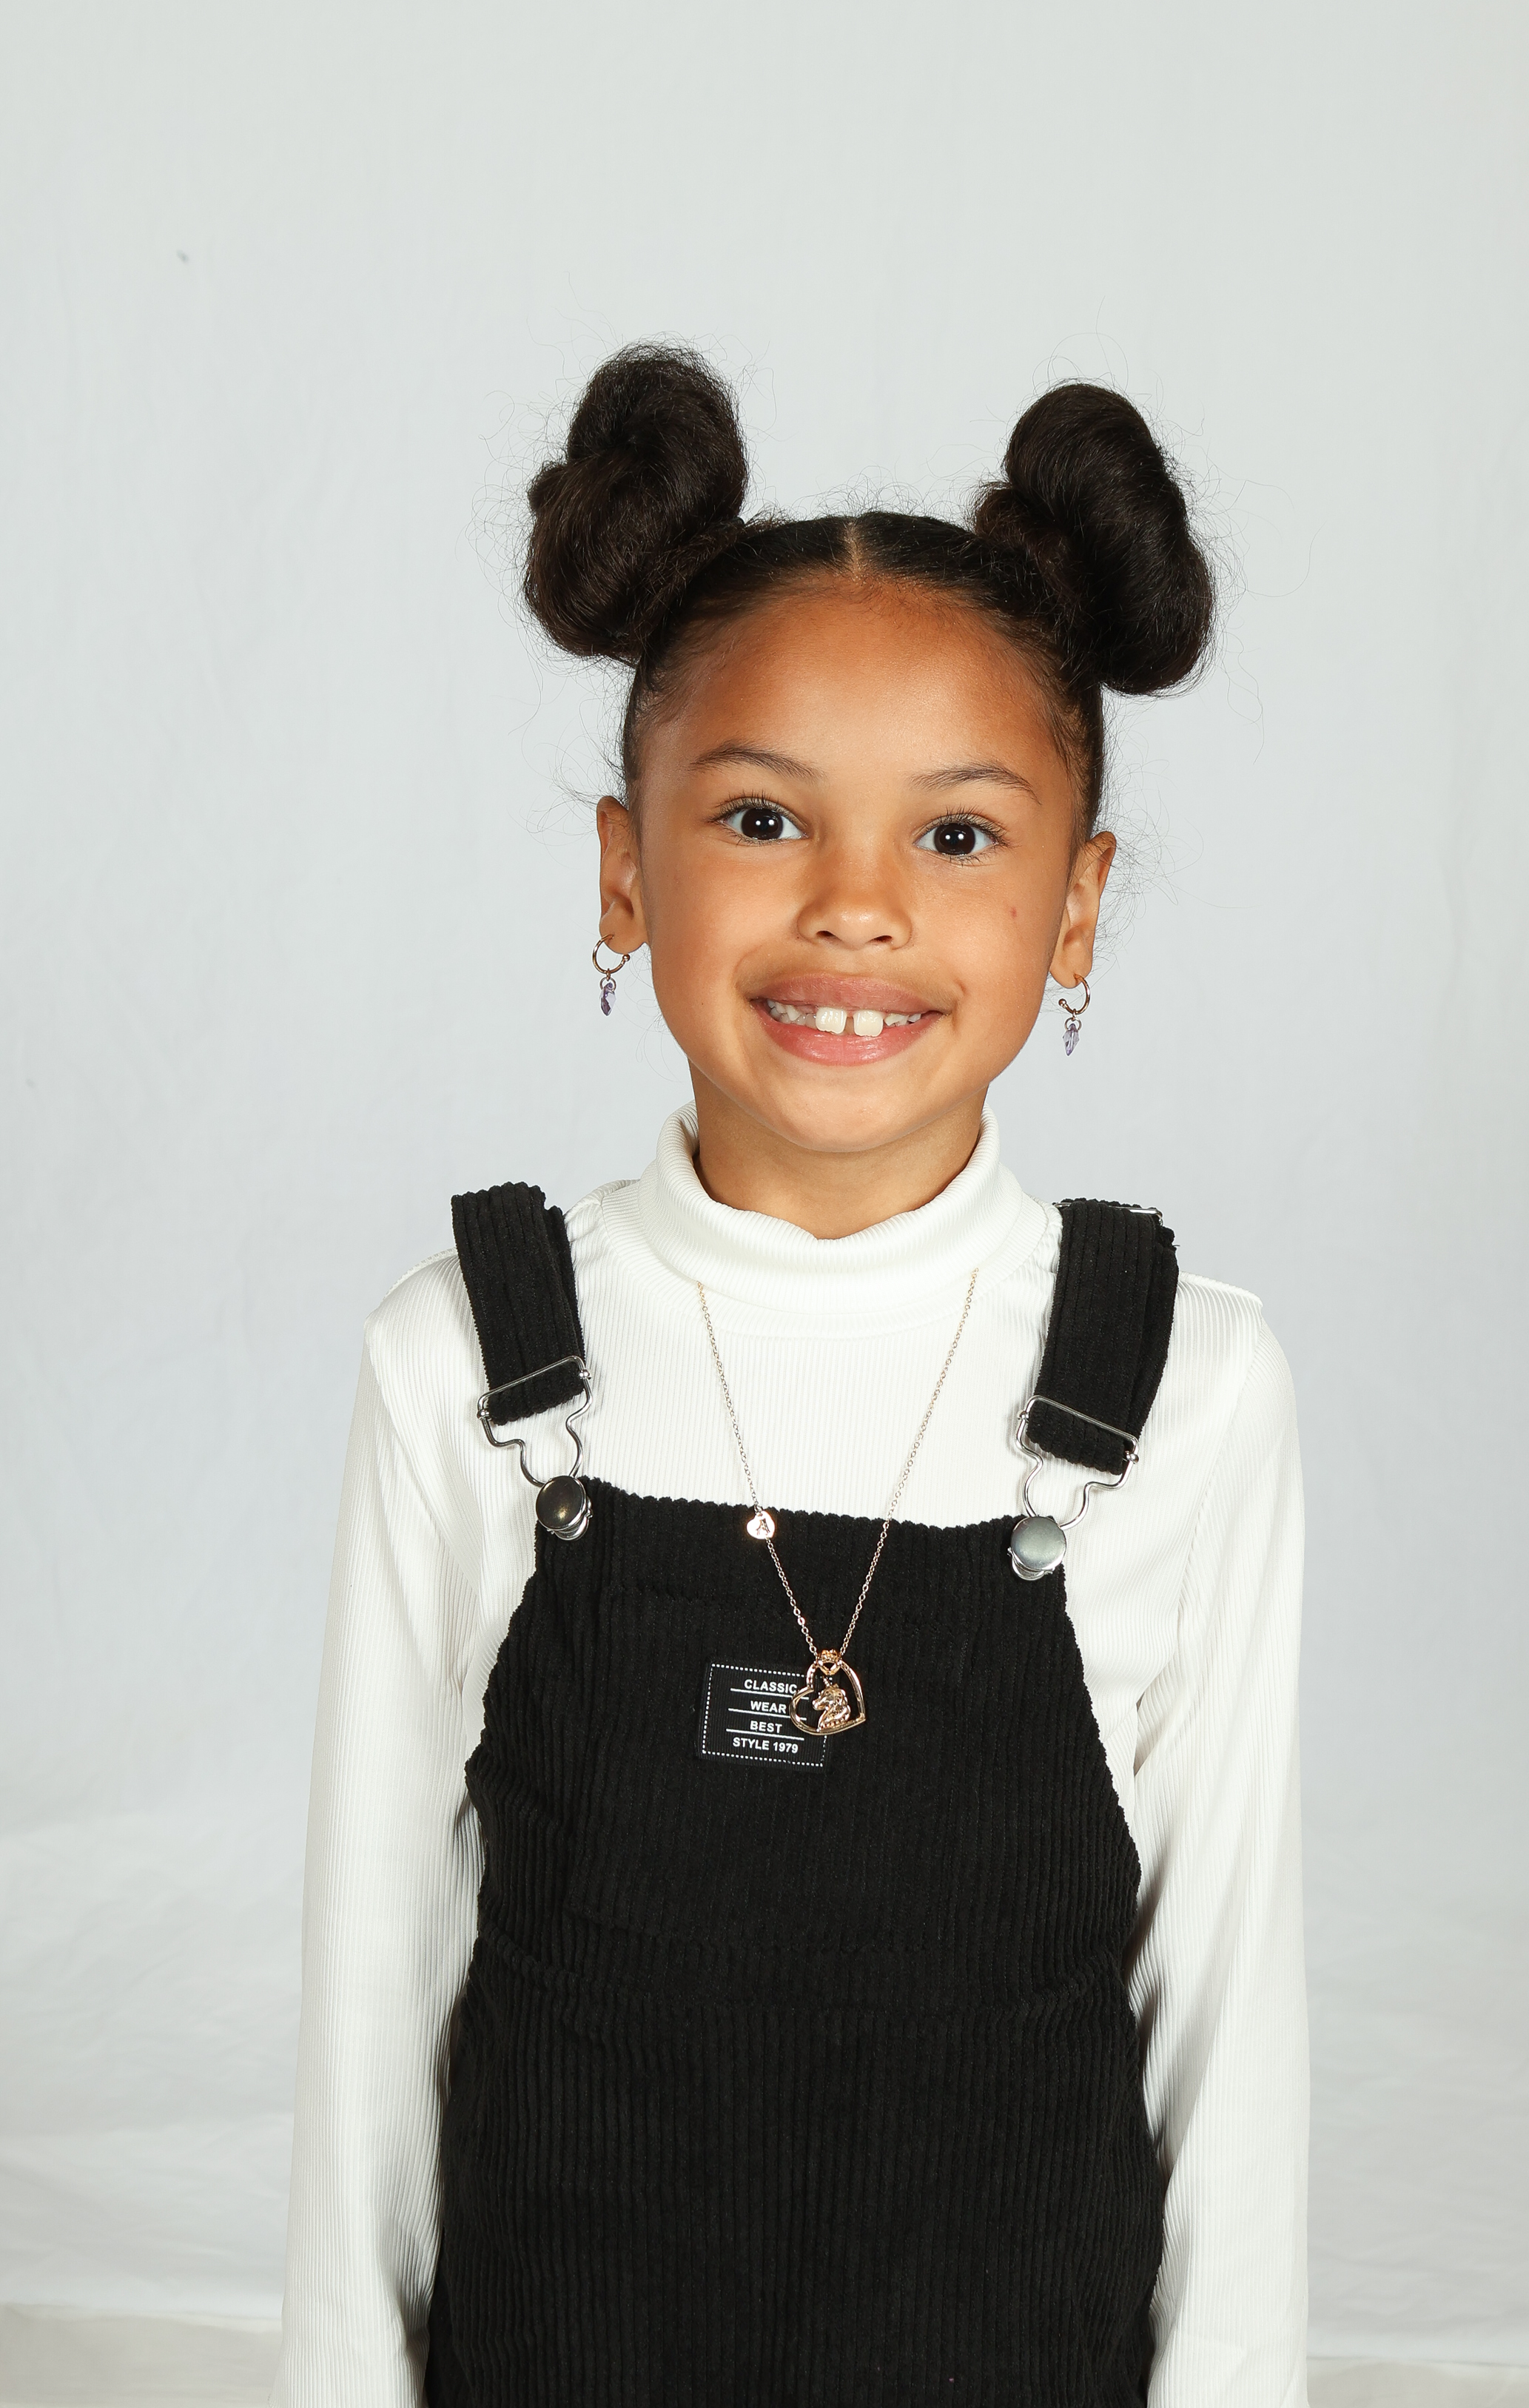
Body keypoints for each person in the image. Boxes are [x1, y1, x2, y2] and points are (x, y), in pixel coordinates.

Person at [273, 347, 1307, 2408]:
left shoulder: (1183, 1381)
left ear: (1078, 905)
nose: (855, 907)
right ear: (624, 871)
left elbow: (1227, 2022)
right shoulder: (470, 1357)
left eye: (959, 835)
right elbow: (372, 2007)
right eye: (761, 818)